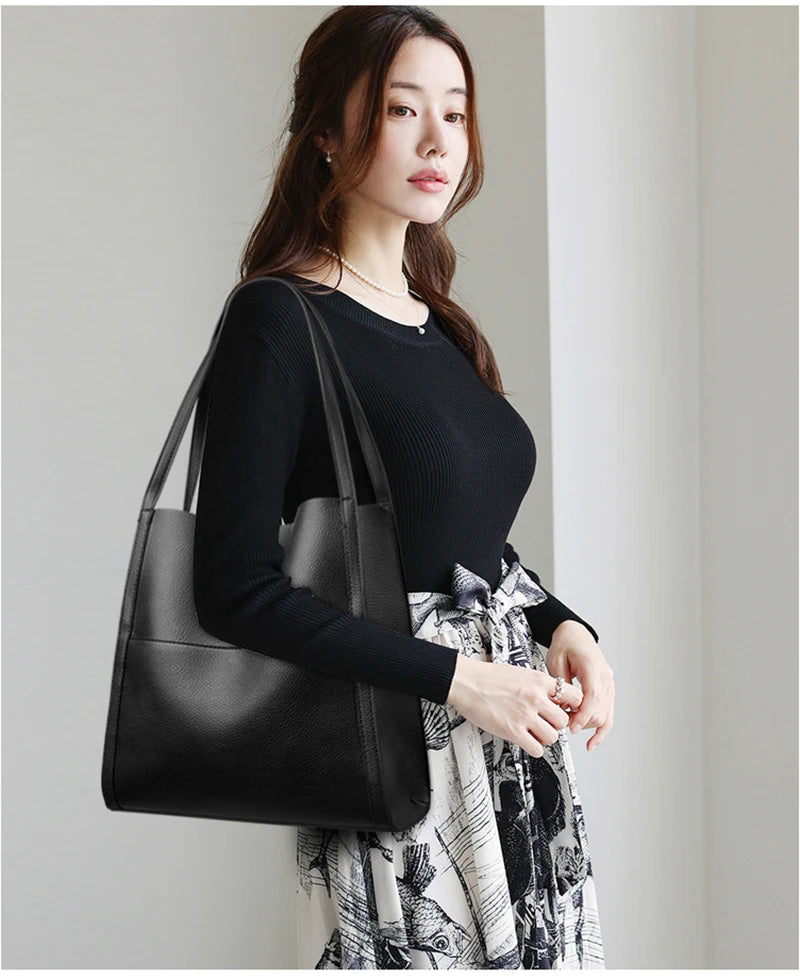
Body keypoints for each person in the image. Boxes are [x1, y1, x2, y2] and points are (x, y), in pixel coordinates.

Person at [193, 5, 613, 969]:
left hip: (516, 759)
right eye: (400, 109)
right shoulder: (280, 319)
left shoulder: (442, 325)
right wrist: (460, 679)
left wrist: (564, 625)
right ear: (326, 134)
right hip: (398, 766)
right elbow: (234, 587)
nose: (438, 142)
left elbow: (465, 545)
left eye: (455, 113)